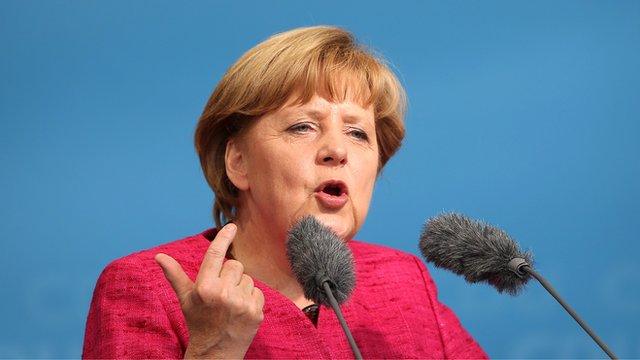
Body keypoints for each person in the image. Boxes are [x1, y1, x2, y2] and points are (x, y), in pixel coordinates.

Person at [82, 26, 487, 359]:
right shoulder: (151, 289)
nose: (337, 150)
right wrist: (213, 350)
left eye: (357, 132)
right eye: (303, 127)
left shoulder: (401, 282)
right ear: (238, 162)